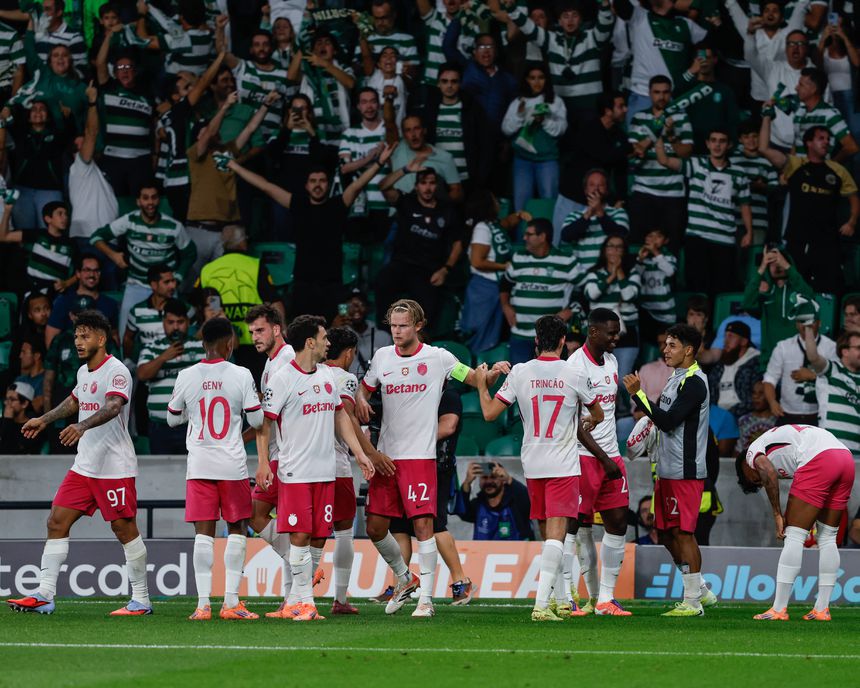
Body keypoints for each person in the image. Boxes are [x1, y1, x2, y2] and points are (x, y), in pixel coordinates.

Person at [355, 299, 508, 619]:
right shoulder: (382, 358)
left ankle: (425, 599)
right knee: (374, 527)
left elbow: (474, 380)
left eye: (403, 326)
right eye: (393, 326)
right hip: (386, 456)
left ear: (418, 326)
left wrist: (490, 374)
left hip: (420, 458)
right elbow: (363, 390)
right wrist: (361, 402)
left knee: (424, 526)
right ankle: (403, 576)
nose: (396, 332)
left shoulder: (439, 357)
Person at [7, 310, 151, 616]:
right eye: (76, 336)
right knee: (56, 521)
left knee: (124, 529)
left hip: (114, 467)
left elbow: (113, 406)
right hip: (85, 466)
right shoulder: (84, 372)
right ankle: (45, 594)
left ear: (101, 338)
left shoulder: (117, 371)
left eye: (84, 336)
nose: (78, 342)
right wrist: (44, 419)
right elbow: (75, 400)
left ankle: (141, 600)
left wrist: (82, 427)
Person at [475, 314, 604, 621]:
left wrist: (482, 385)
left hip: (532, 462)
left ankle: (561, 600)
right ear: (562, 342)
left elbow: (490, 414)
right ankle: (541, 605)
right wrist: (588, 420)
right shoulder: (573, 372)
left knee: (549, 537)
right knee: (557, 539)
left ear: (536, 341)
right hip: (562, 463)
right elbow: (597, 413)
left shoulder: (520, 371)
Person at [259, 315, 374, 621]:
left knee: (316, 537)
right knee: (299, 535)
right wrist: (261, 464)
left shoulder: (326, 375)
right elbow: (263, 425)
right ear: (310, 342)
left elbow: (340, 417)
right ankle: (305, 602)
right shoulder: (282, 378)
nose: (328, 343)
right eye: (324, 338)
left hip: (326, 473)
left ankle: (294, 602)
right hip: (295, 472)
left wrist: (360, 453)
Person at [166, 316, 264, 621]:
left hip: (199, 465)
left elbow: (171, 418)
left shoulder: (186, 375)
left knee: (202, 533)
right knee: (237, 528)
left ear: (204, 343)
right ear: (229, 343)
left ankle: (203, 605)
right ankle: (231, 602)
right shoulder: (241, 374)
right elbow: (258, 421)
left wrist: (191, 417)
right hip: (231, 465)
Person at [225, 144, 393, 320]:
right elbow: (266, 186)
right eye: (313, 181)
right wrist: (234, 166)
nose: (317, 185)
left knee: (339, 329)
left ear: (328, 185)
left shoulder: (338, 205)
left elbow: (359, 184)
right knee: (301, 336)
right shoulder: (298, 205)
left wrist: (380, 162)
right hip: (303, 285)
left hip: (333, 286)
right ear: (306, 185)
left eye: (322, 181)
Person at [624, 324, 716, 616]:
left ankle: (692, 602)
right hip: (665, 470)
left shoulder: (695, 382)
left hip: (685, 471)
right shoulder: (675, 378)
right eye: (665, 344)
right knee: (664, 534)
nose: (666, 350)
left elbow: (668, 420)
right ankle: (700, 588)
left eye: (672, 345)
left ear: (689, 350)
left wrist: (639, 396)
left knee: (684, 534)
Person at [737, 425, 856, 621]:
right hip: (845, 458)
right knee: (827, 538)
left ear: (743, 467)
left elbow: (768, 472)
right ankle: (821, 610)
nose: (758, 482)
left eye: (754, 481)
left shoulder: (751, 453)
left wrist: (777, 513)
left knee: (793, 535)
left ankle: (778, 609)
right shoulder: (780, 451)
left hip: (820, 458)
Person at [566, 309, 632, 616]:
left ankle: (605, 599)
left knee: (618, 523)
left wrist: (610, 456)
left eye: (617, 331)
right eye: (611, 332)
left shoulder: (613, 361)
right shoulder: (575, 367)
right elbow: (573, 424)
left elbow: (606, 412)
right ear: (593, 332)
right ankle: (571, 596)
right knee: (577, 527)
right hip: (584, 458)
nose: (616, 337)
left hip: (610, 456)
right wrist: (603, 458)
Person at [387, 386, 475, 606]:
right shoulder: (421, 393)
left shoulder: (449, 394)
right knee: (399, 526)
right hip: (408, 465)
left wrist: (412, 441)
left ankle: (461, 582)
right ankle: (401, 584)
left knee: (435, 524)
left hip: (437, 467)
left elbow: (448, 426)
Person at [325, 327, 389, 613]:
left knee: (302, 532)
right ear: (350, 353)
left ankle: (295, 598)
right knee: (342, 532)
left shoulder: (307, 374)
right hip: (335, 465)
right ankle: (339, 599)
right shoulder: (346, 378)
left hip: (298, 465)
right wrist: (368, 454)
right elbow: (348, 417)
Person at [758, 118, 859, 294]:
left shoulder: (837, 170)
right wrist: (767, 117)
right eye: (821, 138)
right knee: (795, 285)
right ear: (809, 143)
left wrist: (851, 222)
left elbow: (854, 197)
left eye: (828, 139)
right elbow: (764, 149)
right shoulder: (795, 164)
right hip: (798, 238)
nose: (826, 142)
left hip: (827, 241)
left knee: (830, 288)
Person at [91, 180, 196, 339]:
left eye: (154, 198)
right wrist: (114, 256)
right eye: (145, 198)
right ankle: (126, 363)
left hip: (165, 285)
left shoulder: (173, 226)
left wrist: (178, 277)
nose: (150, 202)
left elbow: (191, 253)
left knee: (173, 329)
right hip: (137, 283)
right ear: (138, 201)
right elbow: (96, 237)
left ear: (159, 200)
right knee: (124, 329)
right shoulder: (129, 221)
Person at [655, 127, 752, 295]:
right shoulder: (696, 164)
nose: (717, 145)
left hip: (724, 240)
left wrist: (749, 231)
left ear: (728, 145)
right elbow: (664, 160)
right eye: (713, 140)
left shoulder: (739, 173)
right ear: (707, 144)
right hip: (697, 237)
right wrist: (657, 134)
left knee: (722, 291)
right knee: (697, 290)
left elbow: (745, 205)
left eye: (722, 141)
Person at [244, 303, 296, 612]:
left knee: (254, 511)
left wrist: (263, 462)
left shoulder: (286, 360)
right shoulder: (271, 362)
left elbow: (268, 418)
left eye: (260, 330)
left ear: (276, 329)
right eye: (251, 332)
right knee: (281, 524)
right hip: (281, 454)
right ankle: (293, 596)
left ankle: (300, 574)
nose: (255, 337)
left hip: (285, 457)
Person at [375, 164, 464, 329]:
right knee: (383, 281)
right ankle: (384, 335)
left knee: (429, 307)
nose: (427, 187)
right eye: (423, 183)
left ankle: (422, 346)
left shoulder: (447, 211)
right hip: (401, 263)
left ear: (437, 186)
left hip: (427, 270)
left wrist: (446, 269)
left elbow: (458, 243)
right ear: (416, 186)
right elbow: (383, 186)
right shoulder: (407, 202)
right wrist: (406, 170)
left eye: (431, 183)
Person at [502, 0, 614, 117]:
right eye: (565, 16)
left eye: (574, 15)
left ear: (580, 20)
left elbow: (606, 23)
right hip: (561, 109)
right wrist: (511, 8)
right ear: (559, 21)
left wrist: (605, 4)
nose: (570, 20)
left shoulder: (593, 37)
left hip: (591, 108)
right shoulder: (551, 40)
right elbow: (527, 26)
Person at [500, 218, 580, 365]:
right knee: (521, 382)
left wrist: (572, 310)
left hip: (551, 336)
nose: (524, 238)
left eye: (529, 234)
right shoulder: (519, 258)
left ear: (542, 237)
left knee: (551, 382)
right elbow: (505, 284)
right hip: (520, 334)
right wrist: (505, 305)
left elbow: (584, 290)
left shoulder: (565, 260)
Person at [627, 75, 694, 246]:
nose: (661, 97)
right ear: (649, 93)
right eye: (657, 92)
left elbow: (686, 153)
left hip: (673, 193)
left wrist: (671, 136)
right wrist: (657, 129)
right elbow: (633, 153)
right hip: (644, 190)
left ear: (670, 94)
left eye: (665, 92)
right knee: (639, 244)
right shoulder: (639, 117)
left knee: (672, 246)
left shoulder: (681, 118)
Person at [614, 0, 707, 122]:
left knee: (676, 140)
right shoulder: (640, 16)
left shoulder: (686, 24)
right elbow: (620, 5)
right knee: (638, 141)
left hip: (673, 99)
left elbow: (708, 42)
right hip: (642, 96)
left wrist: (700, 61)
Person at [137, 299, 205, 455]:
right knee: (161, 476)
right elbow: (141, 374)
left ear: (188, 322)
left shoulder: (201, 347)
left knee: (193, 475)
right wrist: (163, 358)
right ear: (163, 323)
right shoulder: (152, 348)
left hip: (193, 426)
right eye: (171, 322)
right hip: (160, 427)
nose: (175, 327)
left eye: (180, 322)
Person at [460, 192, 524, 354]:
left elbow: (507, 223)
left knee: (491, 338)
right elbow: (477, 261)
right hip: (483, 287)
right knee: (478, 336)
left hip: (495, 286)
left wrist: (519, 215)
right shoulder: (482, 228)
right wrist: (504, 266)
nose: (498, 203)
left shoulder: (493, 224)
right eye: (495, 200)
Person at [555, 94, 630, 231]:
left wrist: (621, 198)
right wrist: (630, 148)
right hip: (572, 195)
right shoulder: (588, 129)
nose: (626, 109)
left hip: (596, 200)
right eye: (621, 106)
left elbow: (620, 169)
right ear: (608, 111)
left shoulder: (619, 135)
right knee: (560, 240)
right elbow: (605, 156)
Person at [501, 64, 568, 214]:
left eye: (541, 78)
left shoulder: (555, 102)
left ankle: (551, 236)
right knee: (521, 206)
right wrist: (519, 116)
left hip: (547, 160)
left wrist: (544, 121)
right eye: (532, 78)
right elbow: (506, 129)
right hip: (522, 160)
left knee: (550, 202)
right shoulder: (518, 102)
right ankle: (521, 236)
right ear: (526, 80)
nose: (537, 82)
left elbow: (560, 130)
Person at [763, 297, 837, 426]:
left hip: (818, 415)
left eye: (811, 321)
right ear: (796, 324)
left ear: (819, 323)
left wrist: (813, 376)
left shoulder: (831, 347)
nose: (806, 325)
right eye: (802, 321)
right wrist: (772, 401)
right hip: (787, 414)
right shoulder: (783, 347)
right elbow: (770, 378)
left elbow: (837, 379)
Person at [94, 42, 154, 197]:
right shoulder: (109, 89)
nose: (125, 71)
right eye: (120, 68)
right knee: (113, 202)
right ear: (114, 73)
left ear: (135, 71)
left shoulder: (147, 95)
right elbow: (100, 63)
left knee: (140, 201)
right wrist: (108, 37)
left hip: (141, 160)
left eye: (128, 67)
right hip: (113, 158)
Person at [420, 62, 493, 191]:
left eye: (454, 81)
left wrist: (480, 178)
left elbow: (485, 144)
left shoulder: (472, 109)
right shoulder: (429, 111)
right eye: (445, 81)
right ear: (438, 83)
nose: (449, 86)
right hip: (438, 178)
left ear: (460, 83)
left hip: (467, 178)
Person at [215, 19, 291, 143]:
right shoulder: (242, 67)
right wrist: (219, 29)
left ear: (271, 48)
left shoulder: (284, 74)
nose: (261, 48)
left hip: (272, 139)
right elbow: (222, 53)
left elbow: (288, 108)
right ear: (250, 49)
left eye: (265, 44)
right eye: (257, 45)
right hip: (244, 138)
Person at [741, 244, 815, 368]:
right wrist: (762, 267)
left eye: (779, 261)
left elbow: (810, 297)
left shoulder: (798, 290)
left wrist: (786, 265)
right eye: (772, 262)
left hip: (798, 359)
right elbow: (746, 303)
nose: (777, 265)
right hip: (770, 360)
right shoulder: (765, 293)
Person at [582, 236, 641, 380]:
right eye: (611, 246)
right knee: (597, 379)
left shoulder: (632, 272)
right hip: (599, 334)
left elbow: (629, 296)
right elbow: (591, 293)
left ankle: (622, 404)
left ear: (624, 251)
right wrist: (611, 276)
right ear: (604, 250)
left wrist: (619, 273)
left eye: (619, 247)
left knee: (621, 381)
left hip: (627, 333)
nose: (614, 250)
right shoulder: (594, 273)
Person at [338, 88, 392, 244]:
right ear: (358, 106)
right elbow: (344, 168)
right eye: (364, 102)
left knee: (380, 255)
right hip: (358, 206)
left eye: (373, 101)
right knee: (358, 255)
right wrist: (370, 158)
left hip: (384, 204)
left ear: (379, 105)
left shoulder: (389, 131)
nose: (369, 107)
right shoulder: (350, 133)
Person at [667, 47, 740, 154]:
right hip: (690, 144)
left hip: (716, 146)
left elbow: (733, 120)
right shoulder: (687, 87)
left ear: (715, 60)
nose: (704, 61)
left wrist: (731, 144)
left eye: (708, 58)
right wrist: (691, 71)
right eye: (700, 58)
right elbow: (673, 93)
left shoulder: (724, 90)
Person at [0, 199, 76, 296]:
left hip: (56, 293)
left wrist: (66, 283)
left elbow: (80, 271)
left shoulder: (71, 243)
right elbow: (3, 237)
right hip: (31, 291)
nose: (65, 217)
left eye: (66, 214)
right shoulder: (36, 234)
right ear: (48, 219)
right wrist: (7, 211)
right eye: (60, 214)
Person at [560, 168, 629, 274]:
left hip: (610, 275)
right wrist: (587, 215)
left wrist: (600, 213)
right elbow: (566, 236)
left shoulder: (618, 213)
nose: (596, 189)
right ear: (585, 190)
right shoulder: (574, 215)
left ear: (606, 190)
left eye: (601, 185)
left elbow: (621, 236)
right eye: (592, 185)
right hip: (583, 276)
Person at [803, 328, 860, 455]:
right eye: (858, 348)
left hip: (856, 453)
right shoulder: (832, 370)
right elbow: (813, 357)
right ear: (845, 351)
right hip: (831, 449)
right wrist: (808, 326)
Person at [46, 255, 119, 347]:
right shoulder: (64, 301)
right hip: (67, 357)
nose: (92, 275)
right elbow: (51, 336)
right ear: (78, 273)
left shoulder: (110, 304)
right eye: (87, 270)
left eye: (96, 271)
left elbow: (114, 336)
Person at [389, 115, 463, 201]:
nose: (413, 134)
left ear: (424, 130)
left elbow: (457, 191)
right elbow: (389, 121)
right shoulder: (397, 149)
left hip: (431, 212)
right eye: (408, 130)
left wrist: (439, 207)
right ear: (404, 135)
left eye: (416, 128)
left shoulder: (445, 157)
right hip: (400, 212)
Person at [791, 67, 858, 161]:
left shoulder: (829, 115)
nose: (796, 88)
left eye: (801, 85)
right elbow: (796, 145)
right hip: (799, 173)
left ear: (813, 89)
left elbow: (851, 147)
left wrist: (828, 167)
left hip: (817, 174)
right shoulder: (799, 112)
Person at [730, 120, 778, 246]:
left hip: (759, 221)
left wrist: (760, 186)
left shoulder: (768, 161)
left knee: (753, 261)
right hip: (733, 220)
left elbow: (775, 189)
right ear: (740, 139)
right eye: (746, 137)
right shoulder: (732, 160)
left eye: (754, 136)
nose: (751, 140)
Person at [458, 460, 534, 540]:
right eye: (484, 477)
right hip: (484, 551)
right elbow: (462, 512)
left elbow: (530, 501)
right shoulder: (478, 504)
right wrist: (467, 483)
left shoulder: (516, 501)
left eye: (493, 477)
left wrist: (509, 479)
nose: (489, 481)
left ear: (502, 479)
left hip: (517, 551)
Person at [707, 321, 761, 419]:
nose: (725, 341)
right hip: (718, 418)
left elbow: (755, 399)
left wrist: (728, 415)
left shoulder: (756, 364)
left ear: (744, 341)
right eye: (725, 336)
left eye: (731, 336)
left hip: (745, 418)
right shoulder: (720, 365)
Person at [123, 265, 179, 360]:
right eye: (167, 282)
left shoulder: (183, 308)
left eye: (173, 281)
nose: (172, 286)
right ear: (154, 285)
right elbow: (127, 339)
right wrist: (129, 361)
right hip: (147, 365)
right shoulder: (137, 312)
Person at [634, 227, 676, 342]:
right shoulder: (642, 255)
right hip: (646, 310)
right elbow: (636, 277)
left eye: (658, 236)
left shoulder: (668, 256)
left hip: (665, 312)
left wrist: (656, 253)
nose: (653, 239)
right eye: (650, 236)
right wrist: (640, 260)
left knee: (665, 344)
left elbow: (670, 271)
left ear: (666, 240)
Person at [736, 380, 778, 458]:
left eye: (761, 393)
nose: (755, 396)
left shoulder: (778, 421)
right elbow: (739, 449)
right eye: (754, 393)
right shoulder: (743, 421)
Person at [0, 382, 43, 454]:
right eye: (6, 399)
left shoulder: (32, 427)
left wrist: (8, 420)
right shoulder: (2, 422)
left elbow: (9, 450)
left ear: (24, 404)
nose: (7, 403)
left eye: (12, 399)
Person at [16, 336, 46, 414]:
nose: (20, 356)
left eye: (24, 352)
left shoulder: (46, 381)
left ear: (36, 356)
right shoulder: (19, 380)